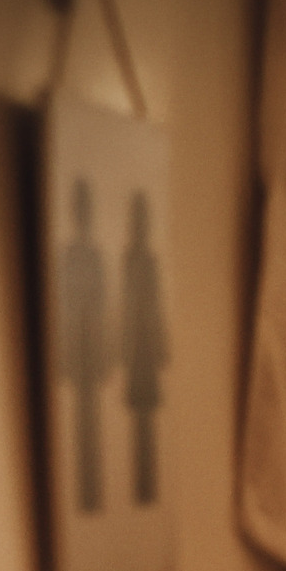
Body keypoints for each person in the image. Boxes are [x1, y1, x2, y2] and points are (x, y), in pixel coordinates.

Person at [59, 175, 111, 512]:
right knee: (79, 425)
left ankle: (92, 492)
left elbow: (102, 306)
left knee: (92, 424)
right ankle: (85, 493)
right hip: (77, 353)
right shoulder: (70, 257)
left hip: (91, 353)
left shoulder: (94, 257)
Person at [119, 191, 168, 507]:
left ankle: (147, 490)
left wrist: (161, 351)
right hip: (136, 353)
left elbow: (157, 309)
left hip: (148, 353)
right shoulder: (129, 263)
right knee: (138, 420)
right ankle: (140, 488)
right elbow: (125, 308)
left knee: (148, 421)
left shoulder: (151, 262)